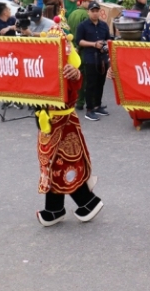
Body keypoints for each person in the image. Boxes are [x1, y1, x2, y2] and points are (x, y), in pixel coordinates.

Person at [34, 23, 103, 227]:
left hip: (64, 123)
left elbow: (75, 83)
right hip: (47, 122)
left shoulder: (69, 70)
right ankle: (54, 209)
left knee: (63, 164)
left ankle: (88, 202)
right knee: (51, 164)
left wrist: (76, 74)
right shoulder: (41, 66)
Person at [75, 1, 111, 122]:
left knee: (101, 83)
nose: (95, 13)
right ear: (88, 12)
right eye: (93, 11)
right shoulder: (83, 25)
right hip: (90, 57)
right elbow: (79, 41)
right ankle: (89, 109)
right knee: (90, 84)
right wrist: (94, 44)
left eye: (97, 11)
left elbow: (109, 38)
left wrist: (105, 44)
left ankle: (97, 105)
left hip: (103, 58)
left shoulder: (104, 25)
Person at [68, 0, 96, 111]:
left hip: (72, 49)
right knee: (85, 77)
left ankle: (77, 100)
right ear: (83, 2)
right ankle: (84, 101)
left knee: (75, 75)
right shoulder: (86, 15)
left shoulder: (72, 13)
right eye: (89, 2)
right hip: (83, 50)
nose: (90, 4)